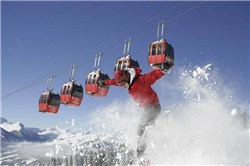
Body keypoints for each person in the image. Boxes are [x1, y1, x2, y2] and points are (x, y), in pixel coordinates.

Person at [99, 63, 172, 161]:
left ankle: (142, 155)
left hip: (153, 107)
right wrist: (105, 83)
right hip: (147, 108)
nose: (122, 86)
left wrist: (163, 70)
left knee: (141, 128)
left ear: (127, 79)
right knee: (148, 127)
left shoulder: (141, 80)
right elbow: (114, 82)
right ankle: (158, 143)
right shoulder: (125, 82)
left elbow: (153, 76)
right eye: (120, 84)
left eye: (122, 84)